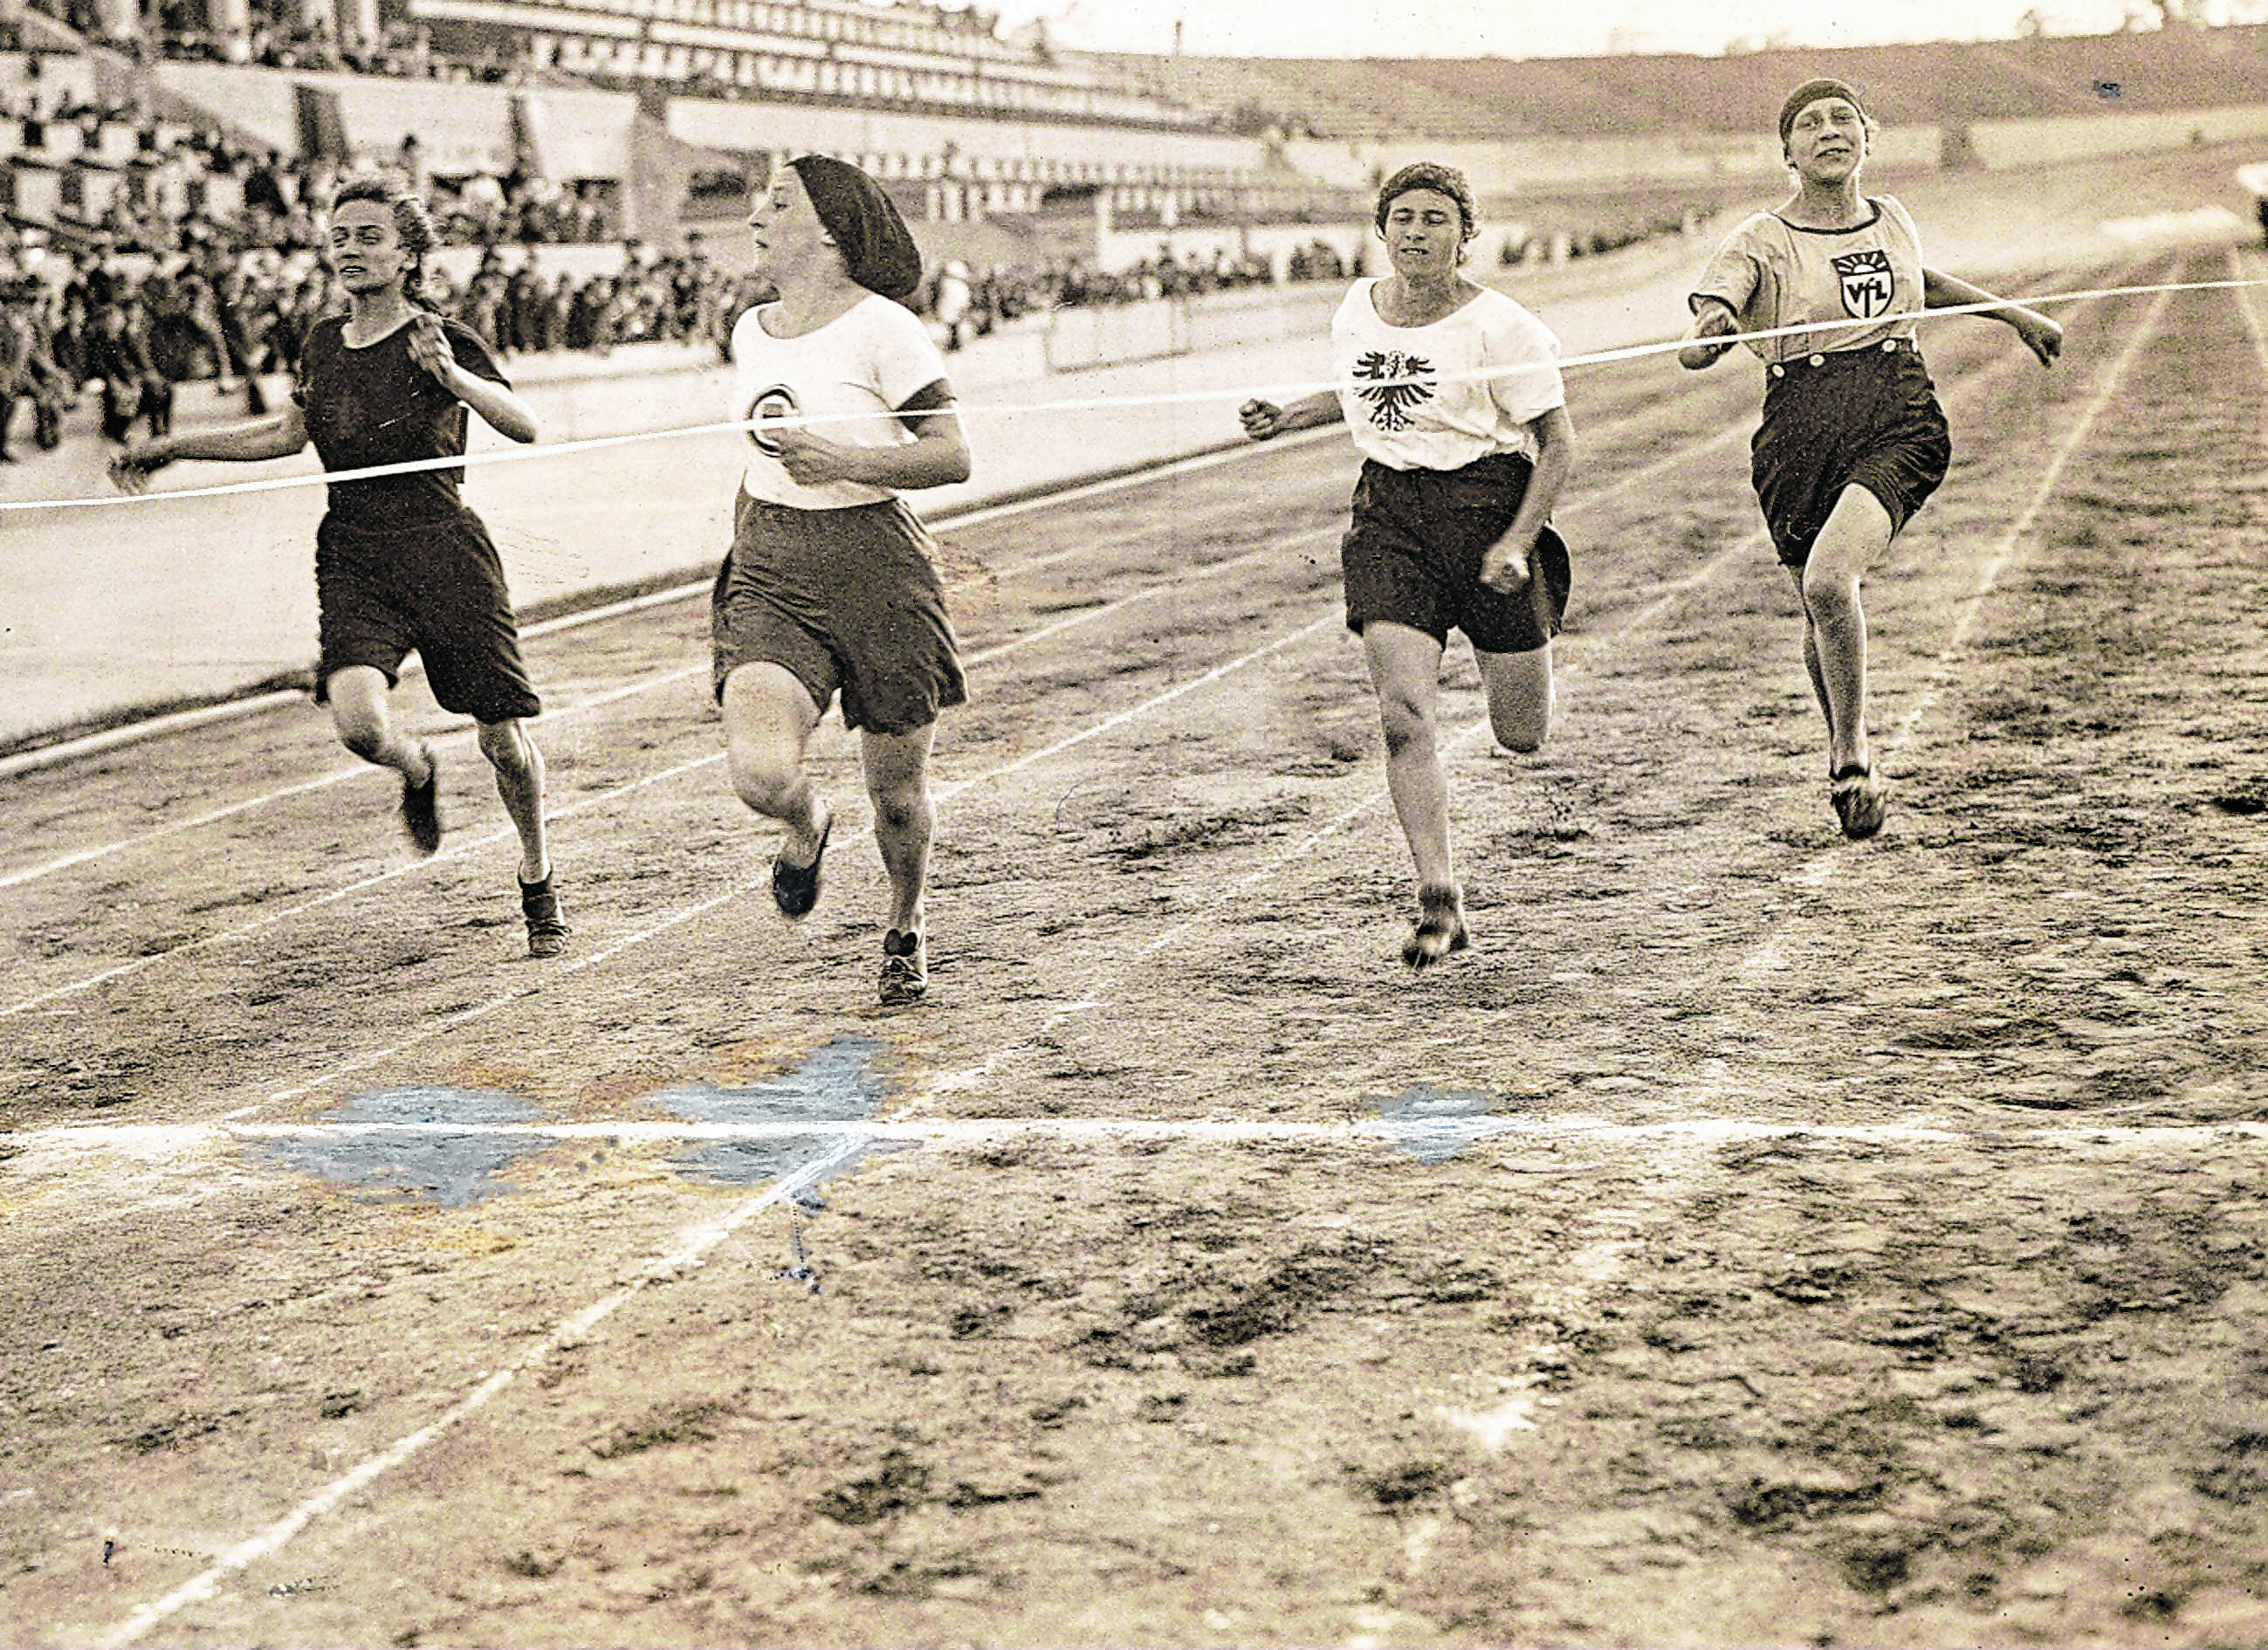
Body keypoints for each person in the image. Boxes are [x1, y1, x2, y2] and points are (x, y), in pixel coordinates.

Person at [111, 176, 569, 959]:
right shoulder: (322, 342)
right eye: (340, 236)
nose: (350, 249)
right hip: (355, 551)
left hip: (445, 550)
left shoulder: (443, 336)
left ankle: (537, 877)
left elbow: (524, 425)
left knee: (501, 739)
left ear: (409, 253)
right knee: (360, 726)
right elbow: (287, 436)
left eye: (369, 236)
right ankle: (416, 766)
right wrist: (173, 446)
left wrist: (453, 378)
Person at [1680, 78, 2062, 840]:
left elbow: (1918, 283)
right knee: (1819, 604)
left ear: (1868, 138)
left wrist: (2014, 316)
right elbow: (1710, 321)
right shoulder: (1759, 238)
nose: (1829, 132)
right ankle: (1843, 746)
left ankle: (1851, 756)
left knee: (1829, 580)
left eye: (1843, 120)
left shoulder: (1893, 218)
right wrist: (1712, 334)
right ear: (1786, 151)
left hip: (1896, 413)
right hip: (1799, 428)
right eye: (1810, 124)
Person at [1239, 161, 1575, 970]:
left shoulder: (1504, 326)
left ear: (1467, 234)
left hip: (1489, 510)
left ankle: (1516, 672)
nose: (1417, 233)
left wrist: (1517, 542)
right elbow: (1359, 396)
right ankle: (1438, 895)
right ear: (1382, 230)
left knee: (1520, 734)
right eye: (1403, 219)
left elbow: (1558, 443)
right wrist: (1291, 415)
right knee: (1401, 716)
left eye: (1435, 219)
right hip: (1390, 517)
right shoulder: (1357, 308)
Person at [716, 155, 972, 1007]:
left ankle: (905, 922)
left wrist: (846, 459)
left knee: (896, 795)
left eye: (777, 201)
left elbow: (952, 454)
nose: (756, 212)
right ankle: (804, 824)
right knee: (758, 771)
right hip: (772, 565)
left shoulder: (885, 327)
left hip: (879, 572)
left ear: (828, 230)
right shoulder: (750, 330)